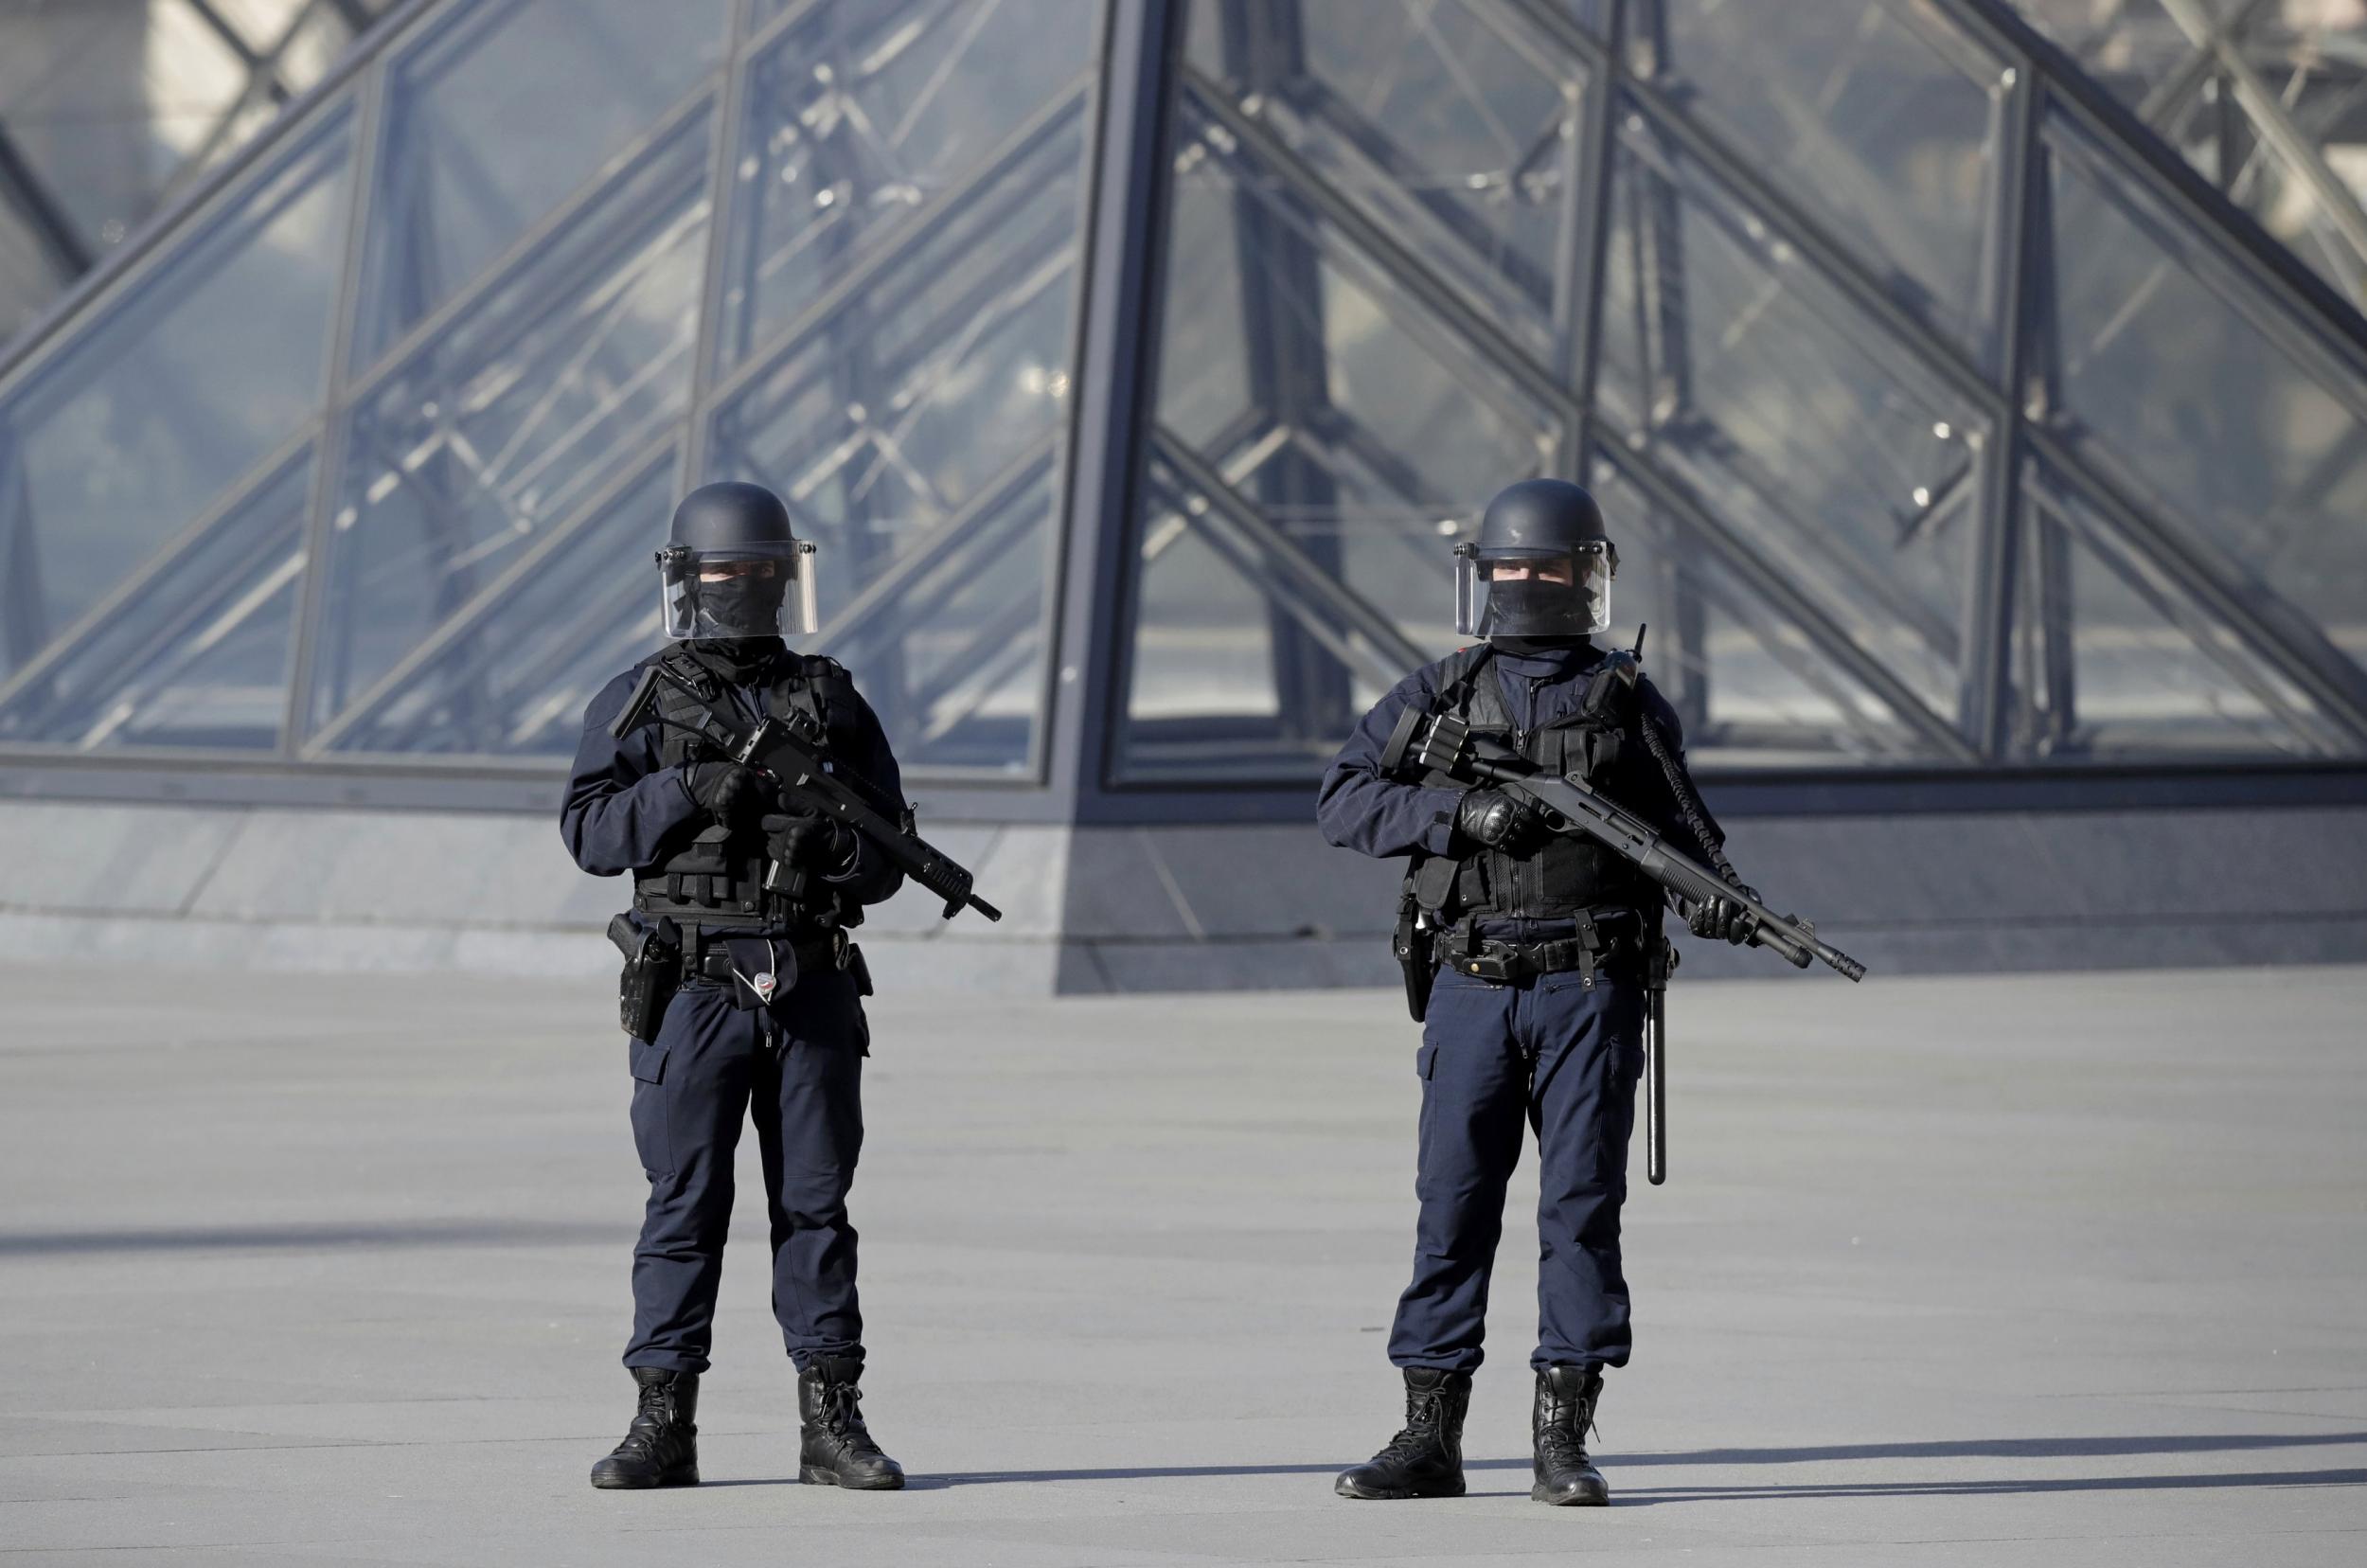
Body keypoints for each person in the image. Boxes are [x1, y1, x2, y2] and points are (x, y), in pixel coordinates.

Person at [1315, 478, 1757, 1507]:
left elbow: (1687, 843)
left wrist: (1719, 904)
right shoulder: (1440, 692)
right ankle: (1429, 1436)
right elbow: (1342, 798)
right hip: (1472, 984)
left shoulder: (1626, 699)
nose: (1527, 584)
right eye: (1512, 568)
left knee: (1579, 1213)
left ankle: (1561, 1439)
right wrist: (1460, 816)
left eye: (1542, 567)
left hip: (1588, 986)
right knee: (1451, 1209)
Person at [561, 481, 909, 1492]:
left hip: (806, 978)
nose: (744, 592)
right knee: (683, 1204)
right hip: (691, 983)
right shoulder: (636, 698)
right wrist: (684, 789)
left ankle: (830, 1421)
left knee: (815, 1207)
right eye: (726, 576)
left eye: (762, 575)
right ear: (685, 581)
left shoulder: (831, 700)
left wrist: (828, 845)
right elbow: (588, 831)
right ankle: (661, 1421)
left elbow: (889, 856)